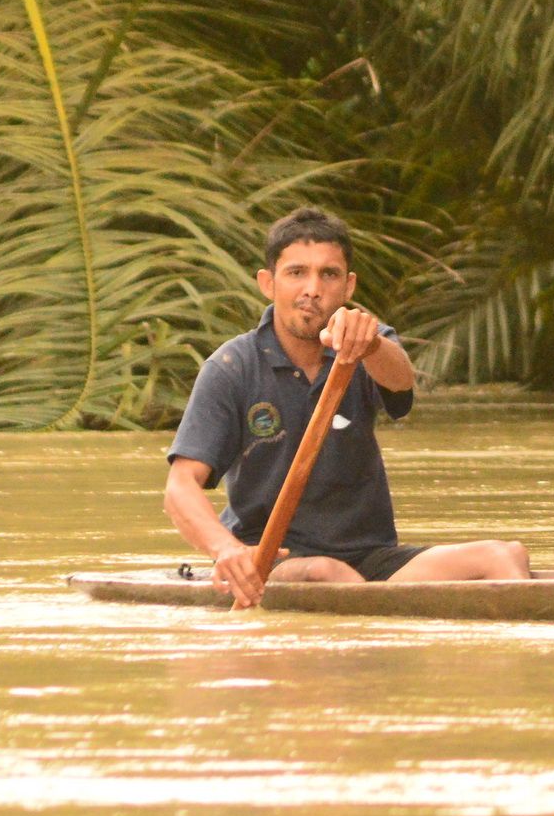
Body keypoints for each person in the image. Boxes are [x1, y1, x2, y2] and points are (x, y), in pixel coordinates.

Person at [164, 207, 531, 606]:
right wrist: (227, 550)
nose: (312, 289)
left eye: (329, 274)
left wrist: (369, 346)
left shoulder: (368, 344)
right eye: (296, 273)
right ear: (268, 283)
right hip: (273, 561)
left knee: (504, 555)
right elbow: (180, 487)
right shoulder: (232, 368)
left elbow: (400, 380)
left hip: (372, 559)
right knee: (326, 572)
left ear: (348, 286)